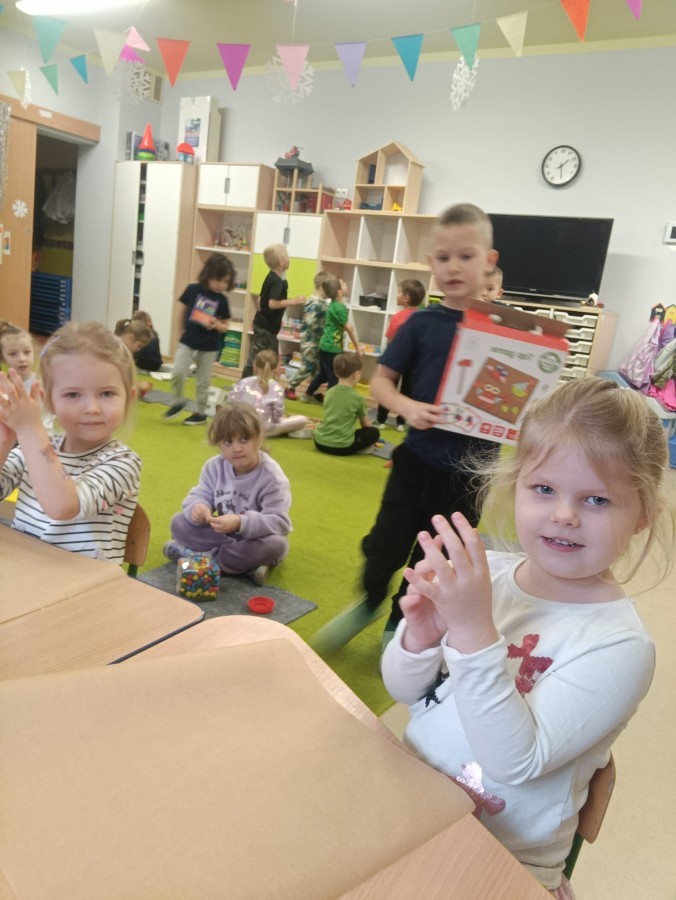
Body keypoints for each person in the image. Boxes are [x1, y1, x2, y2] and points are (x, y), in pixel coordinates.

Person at [381, 376, 674, 898]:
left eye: (597, 499)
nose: (564, 514)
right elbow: (406, 693)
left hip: (502, 862)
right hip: (410, 807)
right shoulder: (488, 574)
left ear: (641, 516)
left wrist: (471, 630)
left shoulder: (621, 648)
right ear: (516, 485)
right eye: (544, 489)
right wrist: (419, 642)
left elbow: (513, 763)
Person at [310, 203, 499, 654]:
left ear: (488, 261)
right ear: (431, 262)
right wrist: (406, 406)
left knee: (436, 560)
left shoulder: (504, 332)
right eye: (444, 257)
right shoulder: (420, 323)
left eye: (466, 256)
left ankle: (401, 624)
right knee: (384, 545)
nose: (454, 267)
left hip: (470, 473)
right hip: (415, 462)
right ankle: (370, 600)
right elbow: (380, 382)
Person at [0, 321, 142, 564]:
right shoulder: (33, 449)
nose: (92, 408)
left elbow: (63, 507)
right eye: (73, 394)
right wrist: (4, 442)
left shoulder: (123, 463)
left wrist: (30, 430)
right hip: (28, 568)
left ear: (128, 398)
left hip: (86, 581)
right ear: (49, 401)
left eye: (107, 393)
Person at [164, 402, 292, 586]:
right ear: (219, 444)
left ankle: (198, 557)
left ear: (258, 438)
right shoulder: (214, 466)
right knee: (179, 522)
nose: (237, 448)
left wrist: (240, 522)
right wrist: (198, 507)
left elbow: (280, 522)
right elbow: (200, 494)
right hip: (220, 534)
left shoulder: (272, 477)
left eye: (244, 439)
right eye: (228, 442)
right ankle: (244, 567)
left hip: (252, 539)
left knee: (277, 546)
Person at [164, 253, 235, 425]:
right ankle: (178, 400)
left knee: (203, 382)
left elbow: (226, 326)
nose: (222, 285)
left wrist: (216, 325)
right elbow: (182, 312)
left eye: (226, 281)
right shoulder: (192, 290)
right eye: (218, 280)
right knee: (178, 372)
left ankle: (201, 413)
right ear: (208, 275)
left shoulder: (222, 300)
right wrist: (180, 331)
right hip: (188, 341)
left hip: (209, 346)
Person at [241, 244, 305, 379]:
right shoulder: (277, 282)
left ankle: (263, 382)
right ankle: (245, 383)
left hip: (265, 326)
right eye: (287, 255)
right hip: (266, 329)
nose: (289, 258)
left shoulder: (271, 277)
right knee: (260, 358)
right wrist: (294, 301)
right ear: (281, 261)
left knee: (265, 357)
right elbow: (272, 303)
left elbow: (260, 299)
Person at [374, 278, 426, 431]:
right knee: (407, 391)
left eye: (399, 292)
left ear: (406, 298)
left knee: (388, 388)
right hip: (414, 362)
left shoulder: (398, 317)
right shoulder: (423, 317)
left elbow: (390, 340)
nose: (396, 295)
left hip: (396, 361)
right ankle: (401, 423)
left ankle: (381, 420)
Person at [303, 276, 360, 404]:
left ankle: (308, 394)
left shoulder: (334, 305)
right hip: (331, 347)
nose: (346, 285)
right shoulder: (339, 307)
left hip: (326, 345)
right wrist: (357, 346)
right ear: (339, 292)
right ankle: (330, 402)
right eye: (343, 284)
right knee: (334, 376)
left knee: (324, 374)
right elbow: (349, 328)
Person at [228, 349, 309, 437]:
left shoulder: (243, 382)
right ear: (277, 368)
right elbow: (277, 415)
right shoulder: (277, 387)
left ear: (255, 365)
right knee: (302, 419)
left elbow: (230, 401)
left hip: (238, 424)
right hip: (264, 429)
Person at [313, 352, 380, 456]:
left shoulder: (329, 393)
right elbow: (366, 425)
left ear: (336, 373)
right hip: (342, 447)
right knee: (374, 432)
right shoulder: (358, 397)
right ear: (356, 374)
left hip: (319, 442)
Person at [0, 320, 54, 431]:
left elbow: (47, 422)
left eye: (26, 352)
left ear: (34, 352)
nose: (22, 359)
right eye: (13, 354)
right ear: (2, 357)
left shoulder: (41, 384)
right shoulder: (3, 386)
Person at [284, 270, 329, 400]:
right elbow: (310, 321)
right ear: (322, 286)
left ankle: (313, 392)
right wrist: (323, 328)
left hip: (318, 341)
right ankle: (290, 386)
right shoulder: (314, 302)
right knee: (307, 366)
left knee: (317, 368)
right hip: (309, 341)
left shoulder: (323, 303)